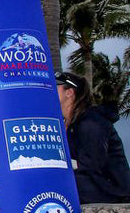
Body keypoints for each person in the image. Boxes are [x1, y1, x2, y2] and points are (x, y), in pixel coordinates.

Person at [56, 71, 130, 203]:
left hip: (112, 191)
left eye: (55, 86)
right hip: (92, 187)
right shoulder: (67, 124)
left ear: (69, 92)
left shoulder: (91, 122)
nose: (49, 90)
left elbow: (91, 164)